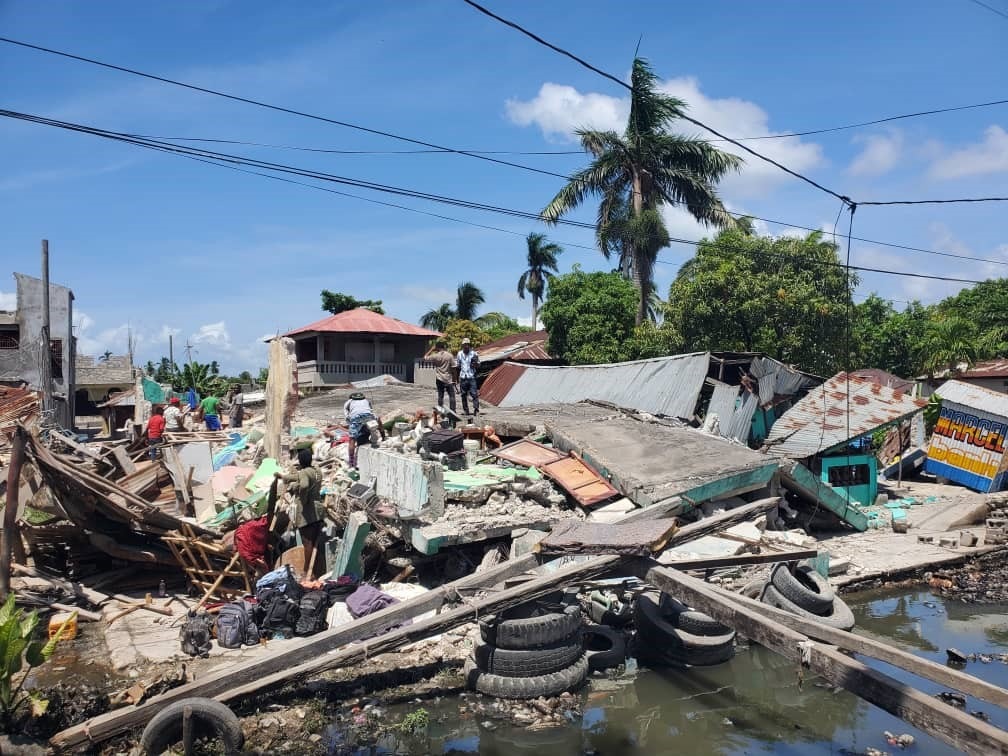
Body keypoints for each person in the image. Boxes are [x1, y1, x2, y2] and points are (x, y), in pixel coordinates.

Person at [274, 448, 323, 578]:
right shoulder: (316, 471)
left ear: (300, 462)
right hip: (318, 510)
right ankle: (314, 570)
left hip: (306, 513)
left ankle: (307, 571)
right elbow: (299, 477)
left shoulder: (304, 473)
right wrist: (284, 477)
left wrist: (301, 494)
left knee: (307, 543)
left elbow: (304, 485)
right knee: (314, 542)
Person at [344, 391, 378, 468]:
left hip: (356, 417)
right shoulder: (366, 401)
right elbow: (371, 412)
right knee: (372, 424)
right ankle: (374, 433)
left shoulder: (348, 403)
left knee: (352, 439)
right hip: (368, 415)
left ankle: (351, 462)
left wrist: (353, 427)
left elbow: (347, 418)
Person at [426, 340, 457, 414]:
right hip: (448, 379)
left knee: (440, 396)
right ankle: (452, 411)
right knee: (452, 396)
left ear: (437, 348)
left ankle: (440, 411)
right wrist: (455, 379)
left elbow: (425, 357)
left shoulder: (435, 356)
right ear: (444, 347)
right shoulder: (449, 355)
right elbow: (454, 368)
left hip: (439, 378)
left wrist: (431, 350)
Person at [456, 338, 480, 421]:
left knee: (474, 394)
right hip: (463, 377)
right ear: (462, 345)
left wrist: (475, 363)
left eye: (467, 344)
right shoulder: (459, 354)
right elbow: (458, 365)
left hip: (471, 376)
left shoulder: (474, 353)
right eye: (464, 345)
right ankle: (466, 410)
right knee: (463, 395)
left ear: (469, 345)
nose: (466, 346)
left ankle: (476, 410)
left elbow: (478, 365)